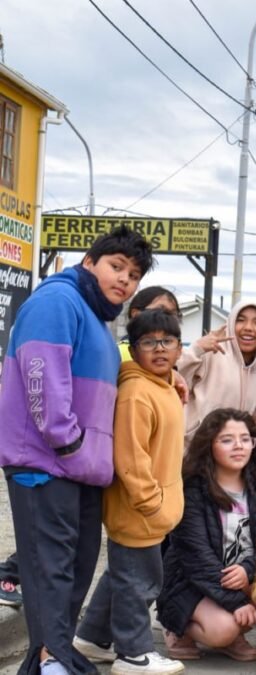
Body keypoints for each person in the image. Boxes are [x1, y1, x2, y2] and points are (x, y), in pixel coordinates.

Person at [0, 225, 154, 675]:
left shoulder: (96, 317)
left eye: (134, 274)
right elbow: (40, 374)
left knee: (76, 568)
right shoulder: (57, 301)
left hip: (81, 467)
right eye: (116, 266)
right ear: (90, 262)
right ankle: (53, 661)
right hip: (46, 464)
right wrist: (68, 442)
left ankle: (52, 657)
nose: (125, 280)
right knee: (51, 570)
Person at [73, 309, 186, 675]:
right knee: (140, 582)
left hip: (150, 506)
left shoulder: (162, 384)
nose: (158, 349)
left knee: (122, 574)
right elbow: (130, 458)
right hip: (139, 506)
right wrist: (151, 503)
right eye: (147, 342)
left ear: (179, 348)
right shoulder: (137, 392)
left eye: (166, 341)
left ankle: (92, 638)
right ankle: (134, 654)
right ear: (133, 349)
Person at [158, 409, 256, 662]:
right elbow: (197, 559)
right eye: (227, 440)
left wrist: (248, 570)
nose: (238, 446)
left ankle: (233, 632)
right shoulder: (192, 490)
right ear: (209, 445)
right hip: (193, 583)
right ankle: (179, 628)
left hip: (243, 579)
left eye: (245, 439)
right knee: (224, 629)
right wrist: (235, 603)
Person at [178, 299, 256, 447]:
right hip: (191, 454)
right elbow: (173, 376)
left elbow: (255, 425)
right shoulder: (211, 354)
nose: (248, 327)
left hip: (228, 461)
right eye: (240, 320)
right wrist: (196, 349)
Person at [119, 287, 180, 362]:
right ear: (136, 314)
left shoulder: (175, 352)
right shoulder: (118, 353)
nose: (168, 318)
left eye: (173, 313)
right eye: (160, 310)